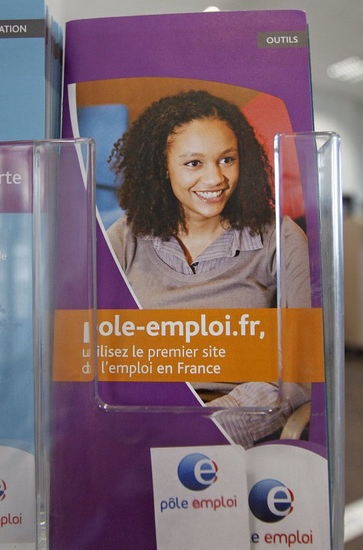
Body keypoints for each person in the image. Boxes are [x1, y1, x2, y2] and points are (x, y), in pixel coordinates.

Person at [106, 89, 311, 448]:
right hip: (138, 428)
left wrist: (206, 429)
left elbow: (297, 373)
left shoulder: (282, 238)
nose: (216, 179)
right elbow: (98, 355)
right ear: (161, 167)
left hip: (240, 437)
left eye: (227, 159)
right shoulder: (124, 238)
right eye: (194, 163)